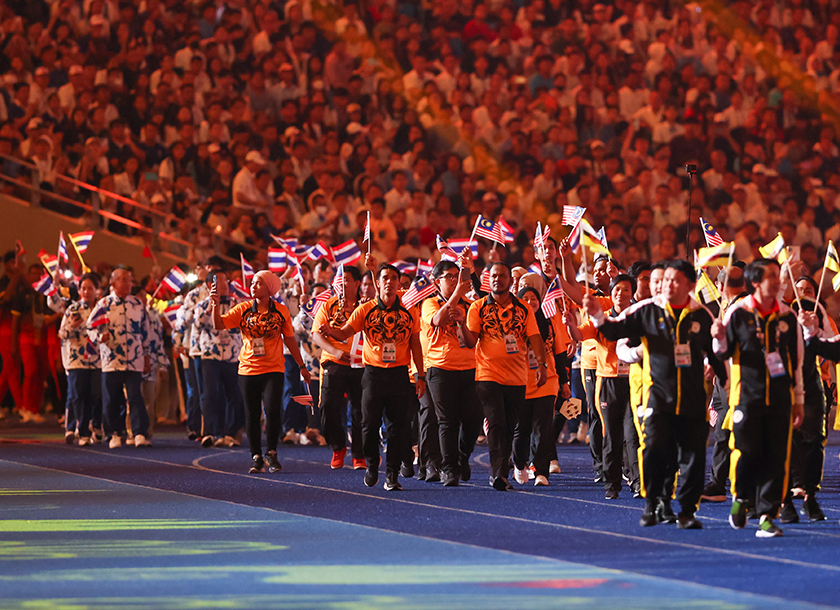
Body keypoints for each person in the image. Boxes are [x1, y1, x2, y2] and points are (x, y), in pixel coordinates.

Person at [585, 260, 727, 528]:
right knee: (654, 453)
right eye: (664, 280)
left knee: (693, 458)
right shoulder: (647, 311)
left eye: (675, 281)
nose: (667, 285)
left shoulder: (701, 315)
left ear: (690, 285)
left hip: (693, 401)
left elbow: (719, 356)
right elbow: (615, 331)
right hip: (657, 399)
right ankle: (654, 505)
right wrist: (597, 316)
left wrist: (722, 349)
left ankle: (686, 511)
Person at [711, 258, 804, 538]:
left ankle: (767, 515)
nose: (778, 281)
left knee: (777, 458)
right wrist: (717, 337)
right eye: (772, 276)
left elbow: (796, 361)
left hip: (780, 398)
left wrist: (798, 397)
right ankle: (741, 499)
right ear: (755, 282)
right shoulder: (738, 312)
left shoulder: (788, 316)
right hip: (746, 398)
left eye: (778, 276)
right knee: (748, 452)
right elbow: (722, 352)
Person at [319, 263, 426, 491]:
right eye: (384, 278)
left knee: (397, 427)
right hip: (372, 375)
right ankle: (371, 464)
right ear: (378, 283)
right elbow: (345, 331)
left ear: (399, 283)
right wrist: (330, 331)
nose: (389, 282)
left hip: (398, 374)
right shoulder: (365, 310)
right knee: (368, 424)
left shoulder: (410, 312)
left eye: (393, 278)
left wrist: (420, 375)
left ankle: (392, 474)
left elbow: (416, 345)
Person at [212, 270, 311, 474]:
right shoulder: (243, 309)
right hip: (248, 369)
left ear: (269, 288)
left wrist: (302, 366)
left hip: (274, 367)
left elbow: (290, 340)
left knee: (273, 410)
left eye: (258, 283)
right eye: (253, 283)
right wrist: (214, 304)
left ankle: (272, 453)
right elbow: (218, 324)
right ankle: (256, 456)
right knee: (252, 413)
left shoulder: (281, 311)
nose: (253, 286)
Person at [464, 262, 546, 491]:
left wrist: (542, 364)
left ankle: (501, 468)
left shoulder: (523, 309)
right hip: (487, 374)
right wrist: (462, 323)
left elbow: (535, 337)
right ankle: (498, 474)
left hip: (517, 377)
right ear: (488, 280)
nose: (497, 279)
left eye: (502, 276)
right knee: (497, 422)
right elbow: (471, 342)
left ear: (510, 280)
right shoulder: (478, 307)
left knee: (510, 425)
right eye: (494, 276)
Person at [570, 274, 638, 500]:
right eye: (617, 289)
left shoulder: (638, 318)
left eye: (626, 289)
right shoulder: (602, 319)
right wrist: (570, 325)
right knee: (612, 434)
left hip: (634, 381)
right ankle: (612, 483)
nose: (621, 293)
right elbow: (580, 334)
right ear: (612, 292)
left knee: (632, 433)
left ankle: (637, 481)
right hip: (607, 381)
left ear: (633, 293)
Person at [421, 259, 481, 486]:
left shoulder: (468, 305)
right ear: (437, 282)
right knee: (447, 421)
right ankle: (449, 469)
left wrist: (463, 322)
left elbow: (472, 340)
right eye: (450, 276)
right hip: (440, 369)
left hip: (470, 368)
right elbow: (437, 320)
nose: (456, 279)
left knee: (474, 419)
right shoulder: (429, 303)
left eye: (458, 275)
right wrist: (456, 294)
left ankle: (461, 457)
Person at [87, 268, 152, 448]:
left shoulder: (138, 304)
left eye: (130, 280)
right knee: (112, 398)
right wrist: (100, 338)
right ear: (113, 283)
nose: (127, 283)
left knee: (135, 396)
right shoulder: (104, 304)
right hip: (111, 360)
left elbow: (145, 332)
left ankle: (139, 432)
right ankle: (113, 433)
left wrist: (147, 356)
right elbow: (90, 327)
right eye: (123, 280)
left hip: (134, 358)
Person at [513, 286, 569, 487]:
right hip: (520, 382)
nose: (530, 301)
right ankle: (519, 464)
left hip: (548, 381)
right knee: (521, 430)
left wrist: (564, 382)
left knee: (542, 429)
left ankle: (540, 471)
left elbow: (560, 354)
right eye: (525, 298)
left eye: (533, 298)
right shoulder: (513, 325)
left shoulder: (551, 324)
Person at [195, 270, 245, 448]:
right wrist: (211, 307)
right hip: (211, 354)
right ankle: (211, 432)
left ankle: (231, 433)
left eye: (226, 281)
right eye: (221, 281)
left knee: (234, 394)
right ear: (211, 285)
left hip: (233, 355)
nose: (226, 284)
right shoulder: (202, 305)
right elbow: (198, 324)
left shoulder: (237, 304)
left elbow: (242, 326)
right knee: (211, 394)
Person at [58, 272, 102, 445]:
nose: (86, 291)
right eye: (83, 288)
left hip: (98, 359)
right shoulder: (73, 310)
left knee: (97, 395)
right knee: (79, 395)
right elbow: (62, 333)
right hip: (77, 359)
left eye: (90, 288)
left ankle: (97, 427)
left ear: (97, 290)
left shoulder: (102, 309)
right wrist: (72, 326)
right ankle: (82, 432)